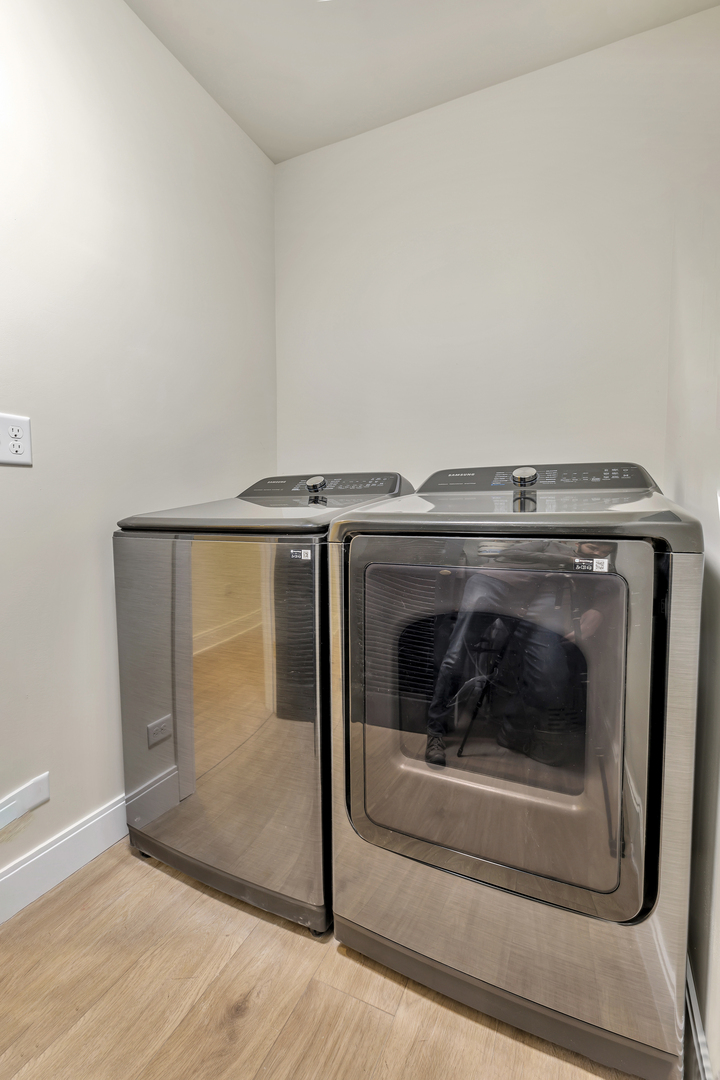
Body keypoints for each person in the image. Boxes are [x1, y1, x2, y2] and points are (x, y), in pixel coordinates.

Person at [424, 542, 609, 767]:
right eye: (593, 548)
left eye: (604, 551)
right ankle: (435, 732)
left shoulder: (597, 565)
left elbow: (609, 584)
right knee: (456, 656)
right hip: (494, 583)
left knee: (552, 674)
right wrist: (569, 562)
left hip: (540, 601)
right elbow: (511, 552)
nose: (598, 553)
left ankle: (511, 732)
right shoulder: (554, 546)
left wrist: (599, 608)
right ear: (579, 543)